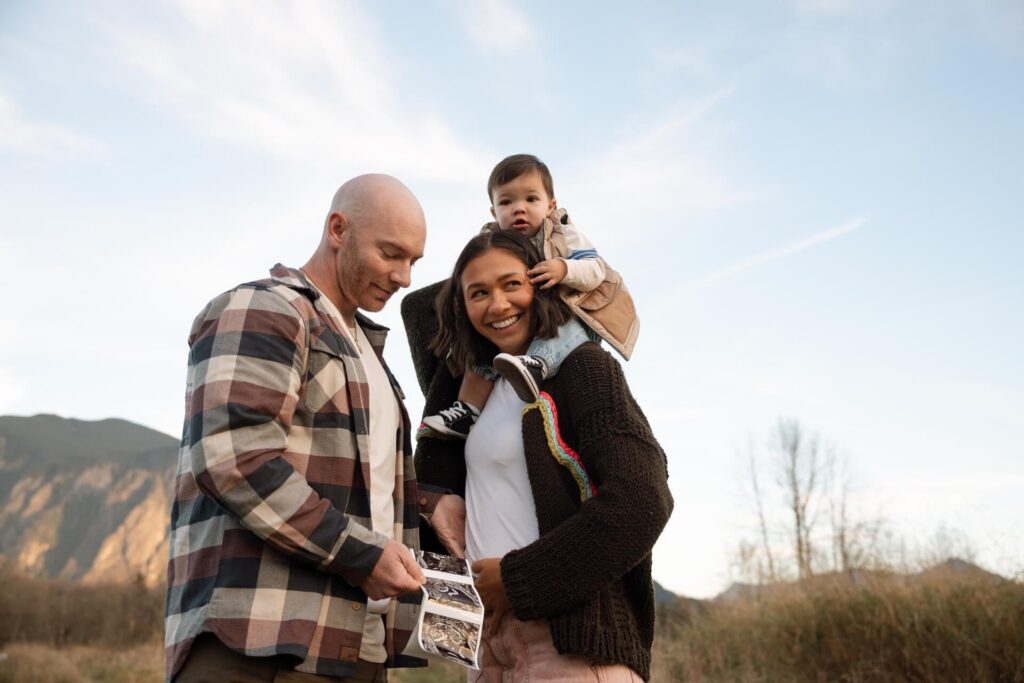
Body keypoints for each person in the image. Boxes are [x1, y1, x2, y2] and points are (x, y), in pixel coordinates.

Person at [165, 175, 465, 682]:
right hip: (259, 644)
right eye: (391, 253)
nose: (404, 277)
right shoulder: (267, 308)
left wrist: (432, 508)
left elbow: (361, 491)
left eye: (414, 261)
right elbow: (237, 461)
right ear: (337, 228)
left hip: (356, 651)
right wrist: (362, 555)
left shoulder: (370, 354)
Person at [404, 229, 672, 682]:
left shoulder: (581, 368)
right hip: (483, 643)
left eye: (513, 283)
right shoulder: (473, 391)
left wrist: (516, 580)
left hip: (567, 643)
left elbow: (642, 500)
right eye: (479, 293)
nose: (498, 305)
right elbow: (416, 308)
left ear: (541, 282)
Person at [421, 154, 639, 439]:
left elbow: (596, 269)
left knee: (568, 325)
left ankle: (537, 364)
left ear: (551, 205)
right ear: (493, 212)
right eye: (507, 202)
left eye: (531, 200)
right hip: (535, 324)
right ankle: (467, 410)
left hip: (573, 317)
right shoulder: (495, 244)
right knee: (480, 357)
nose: (518, 210)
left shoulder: (563, 232)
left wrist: (563, 268)